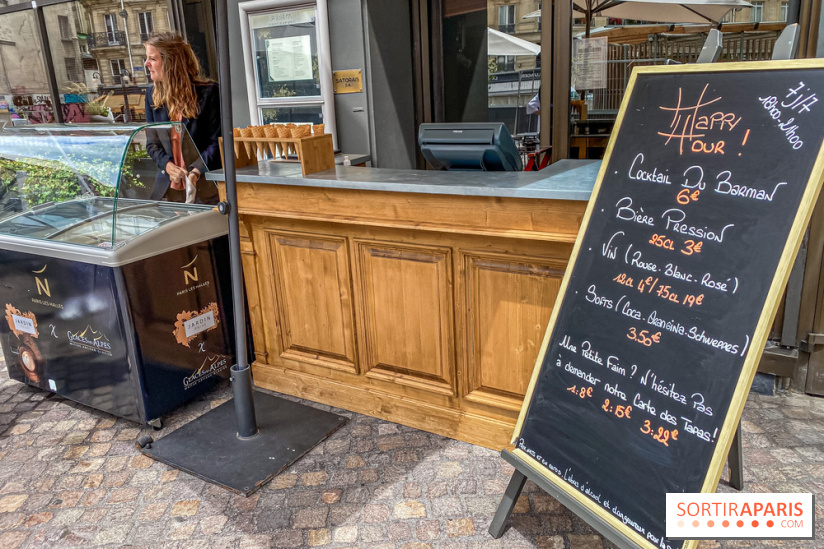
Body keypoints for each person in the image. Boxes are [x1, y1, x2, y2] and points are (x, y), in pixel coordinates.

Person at [144, 33, 220, 204]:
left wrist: (195, 171)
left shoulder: (209, 93)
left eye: (152, 59)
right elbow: (152, 144)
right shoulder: (151, 95)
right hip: (167, 191)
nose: (146, 64)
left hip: (205, 189)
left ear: (171, 62)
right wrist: (168, 167)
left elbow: (217, 142)